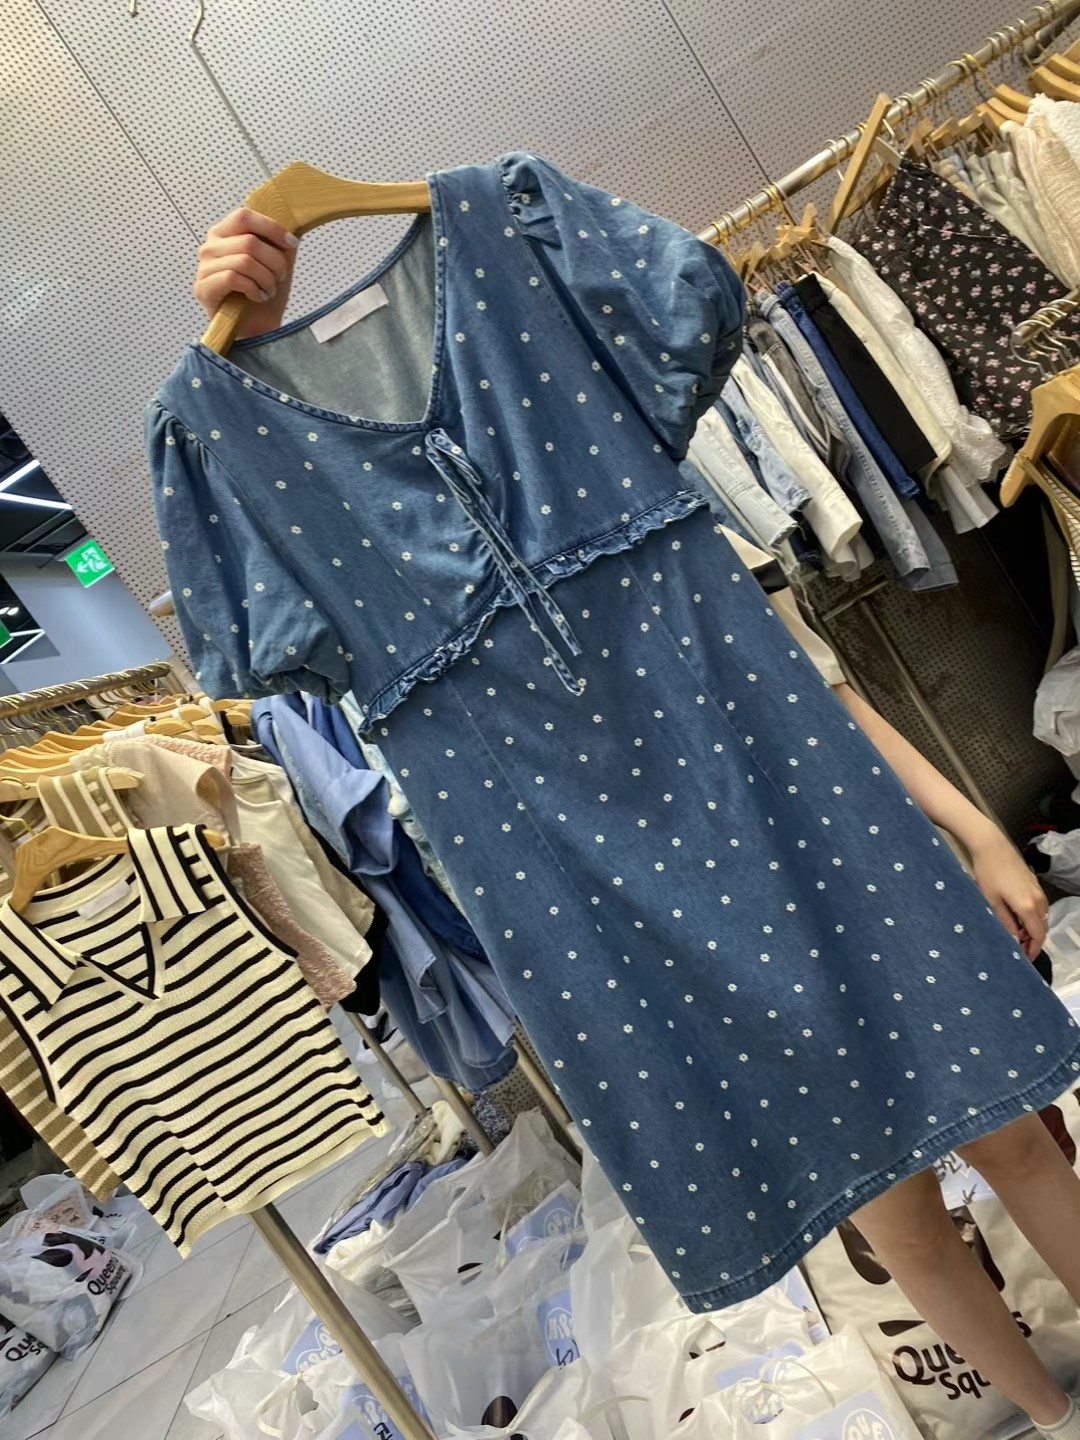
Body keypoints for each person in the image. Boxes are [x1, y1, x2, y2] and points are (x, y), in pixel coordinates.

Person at [192, 207, 1080, 1439]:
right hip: (656, 932)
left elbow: (818, 688)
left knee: (1018, 1138)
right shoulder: (240, 453)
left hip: (826, 846)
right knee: (898, 1216)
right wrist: (255, 361)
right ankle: (1048, 1415)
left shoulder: (539, 285)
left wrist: (977, 835)